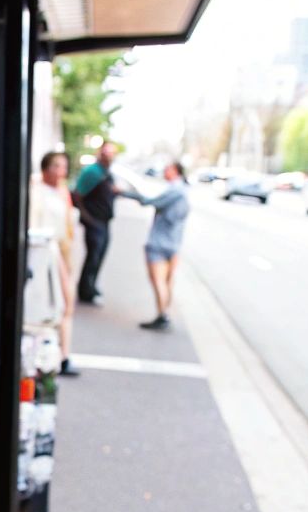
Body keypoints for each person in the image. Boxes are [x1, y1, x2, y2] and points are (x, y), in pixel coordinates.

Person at [116, 161, 191, 330]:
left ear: (176, 171)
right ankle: (165, 314)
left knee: (158, 281)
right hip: (175, 243)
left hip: (159, 242)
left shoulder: (175, 191)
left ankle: (162, 315)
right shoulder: (185, 191)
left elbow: (149, 201)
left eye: (167, 169)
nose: (164, 171)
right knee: (168, 281)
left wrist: (125, 194)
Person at [28, 151, 79, 375]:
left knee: (61, 306)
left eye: (64, 166)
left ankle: (61, 354)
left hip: (60, 252)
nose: (62, 171)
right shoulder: (37, 191)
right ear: (46, 168)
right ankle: (60, 356)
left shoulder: (61, 192)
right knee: (61, 304)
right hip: (47, 254)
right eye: (57, 166)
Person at [71, 142, 118, 304]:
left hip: (104, 221)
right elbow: (77, 194)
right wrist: (88, 218)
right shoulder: (92, 172)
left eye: (112, 154)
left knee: (99, 255)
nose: (109, 156)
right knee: (93, 256)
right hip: (95, 222)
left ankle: (90, 285)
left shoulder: (106, 172)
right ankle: (85, 290)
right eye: (106, 153)